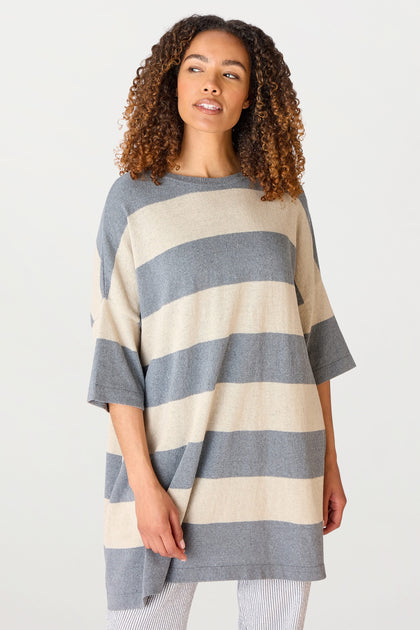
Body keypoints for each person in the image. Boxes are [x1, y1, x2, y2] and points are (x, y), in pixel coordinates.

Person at [87, 13, 356, 630]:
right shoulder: (132, 200)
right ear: (172, 84)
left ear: (250, 96)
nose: (212, 84)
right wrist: (143, 487)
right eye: (197, 68)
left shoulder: (282, 196)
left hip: (280, 457)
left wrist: (329, 463)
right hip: (168, 464)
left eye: (231, 74)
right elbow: (115, 356)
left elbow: (314, 336)